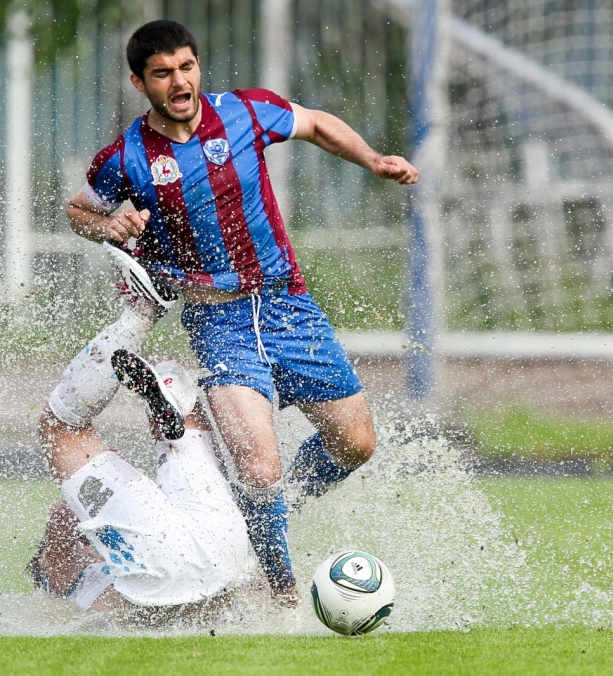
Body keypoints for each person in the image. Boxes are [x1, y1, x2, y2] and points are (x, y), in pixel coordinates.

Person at [51, 19, 420, 606]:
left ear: (198, 66)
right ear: (139, 82)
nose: (179, 82)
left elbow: (315, 123)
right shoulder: (127, 156)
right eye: (163, 73)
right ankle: (280, 593)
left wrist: (372, 160)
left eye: (186, 67)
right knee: (259, 468)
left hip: (288, 308)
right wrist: (109, 224)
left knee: (355, 444)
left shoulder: (245, 112)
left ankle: (266, 517)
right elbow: (79, 210)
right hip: (219, 324)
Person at [31, 353, 258, 613]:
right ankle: (164, 370)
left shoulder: (115, 560)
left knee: (183, 421)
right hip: (204, 556)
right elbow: (60, 515)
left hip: (222, 556)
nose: (87, 549)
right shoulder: (62, 584)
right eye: (82, 545)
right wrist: (102, 480)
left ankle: (166, 384)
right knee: (59, 426)